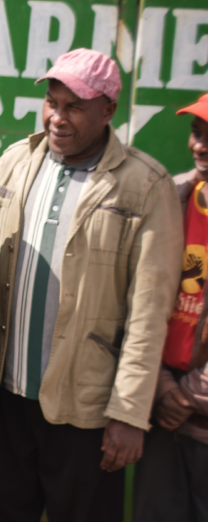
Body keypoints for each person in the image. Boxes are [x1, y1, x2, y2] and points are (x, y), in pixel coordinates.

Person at [0, 48, 183, 522]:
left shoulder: (144, 185)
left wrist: (129, 414)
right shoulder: (14, 162)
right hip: (6, 400)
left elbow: (149, 312)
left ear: (109, 110)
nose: (57, 117)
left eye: (74, 107)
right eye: (52, 102)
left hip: (86, 411)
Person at [133, 93, 208, 521]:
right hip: (162, 414)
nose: (200, 145)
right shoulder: (171, 198)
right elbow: (138, 301)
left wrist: (189, 395)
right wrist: (162, 388)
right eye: (197, 133)